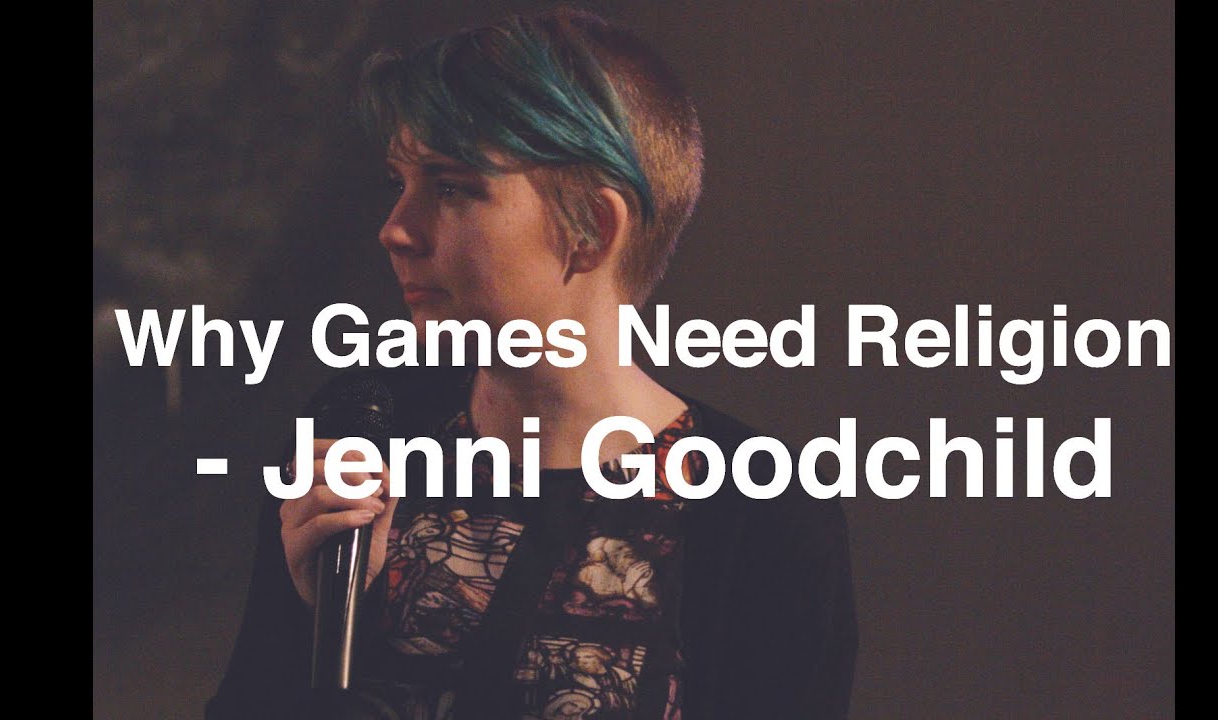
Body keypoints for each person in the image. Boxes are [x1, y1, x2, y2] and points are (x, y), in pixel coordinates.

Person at [208, 7, 857, 719]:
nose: (394, 229)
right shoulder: (365, 431)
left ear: (591, 229)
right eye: (399, 182)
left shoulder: (762, 512)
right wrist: (313, 618)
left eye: (451, 187)